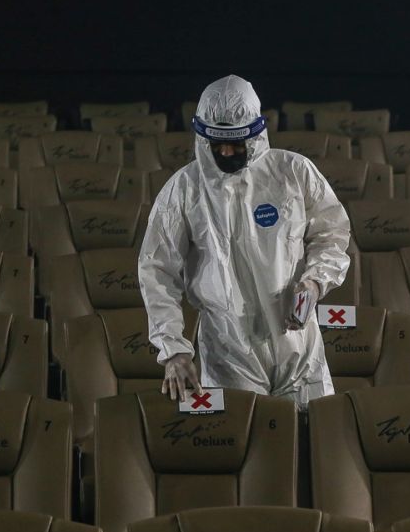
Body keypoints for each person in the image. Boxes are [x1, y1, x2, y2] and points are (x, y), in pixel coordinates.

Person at [138, 75, 351, 409]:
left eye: (236, 143)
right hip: (228, 349)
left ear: (256, 134)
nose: (226, 151)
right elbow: (156, 270)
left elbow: (332, 233)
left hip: (297, 341)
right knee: (248, 449)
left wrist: (314, 281)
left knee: (314, 441)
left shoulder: (293, 172)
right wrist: (173, 350)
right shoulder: (184, 190)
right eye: (218, 142)